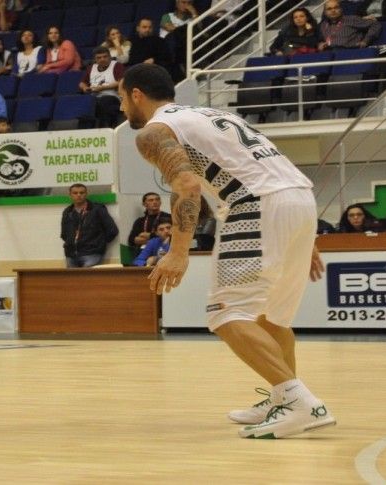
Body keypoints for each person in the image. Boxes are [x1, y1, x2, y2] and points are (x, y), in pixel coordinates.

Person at [120, 63, 335, 439]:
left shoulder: (155, 131)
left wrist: (178, 252)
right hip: (298, 198)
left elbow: (187, 187)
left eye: (122, 98)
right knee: (270, 318)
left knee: (226, 312)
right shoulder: (210, 115)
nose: (122, 108)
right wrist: (299, 235)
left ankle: (299, 403)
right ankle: (283, 397)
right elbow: (265, 167)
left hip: (254, 204)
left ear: (136, 95)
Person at [60, 183, 119, 268]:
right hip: (71, 255)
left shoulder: (97, 209)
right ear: (70, 195)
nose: (79, 195)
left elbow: (112, 230)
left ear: (86, 194)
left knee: (88, 276)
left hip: (92, 254)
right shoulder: (67, 211)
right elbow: (64, 234)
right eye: (75, 193)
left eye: (82, 192)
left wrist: (98, 244)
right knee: (72, 277)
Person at [79, 46, 125, 128]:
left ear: (110, 57)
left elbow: (121, 82)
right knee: (84, 106)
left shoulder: (117, 65)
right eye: (99, 58)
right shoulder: (91, 68)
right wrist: (85, 88)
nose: (102, 59)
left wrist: (103, 88)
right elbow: (82, 83)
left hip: (112, 97)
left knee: (104, 102)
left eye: (105, 57)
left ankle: (105, 129)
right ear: (95, 59)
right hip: (94, 97)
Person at [127, 192, 171, 258]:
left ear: (160, 202)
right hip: (143, 252)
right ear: (144, 204)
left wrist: (149, 235)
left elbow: (171, 235)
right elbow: (131, 239)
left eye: (157, 199)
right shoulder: (140, 221)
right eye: (151, 200)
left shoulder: (169, 217)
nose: (155, 202)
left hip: (164, 252)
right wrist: (155, 239)